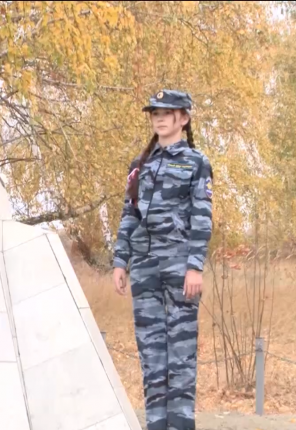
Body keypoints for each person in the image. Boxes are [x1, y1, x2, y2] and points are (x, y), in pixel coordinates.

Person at [111, 90, 213, 430]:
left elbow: (202, 216)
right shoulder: (139, 165)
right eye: (155, 112)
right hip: (145, 270)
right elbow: (129, 214)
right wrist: (120, 261)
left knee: (180, 359)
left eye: (167, 112)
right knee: (152, 359)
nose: (159, 117)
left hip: (180, 268)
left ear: (183, 118)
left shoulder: (196, 163)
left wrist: (195, 266)